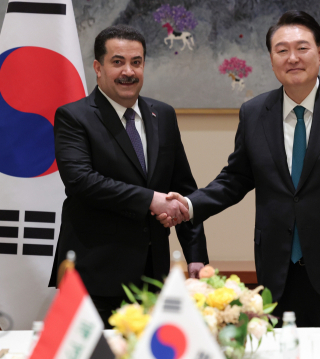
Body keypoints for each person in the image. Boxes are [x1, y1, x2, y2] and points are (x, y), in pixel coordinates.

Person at [168, 11, 320, 328]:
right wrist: (189, 204)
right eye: (282, 50)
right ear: (271, 59)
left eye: (302, 48)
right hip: (278, 269)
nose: (292, 58)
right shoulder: (254, 113)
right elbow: (235, 178)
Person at [49, 25, 209, 327]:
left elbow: (183, 189)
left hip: (154, 275)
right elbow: (81, 181)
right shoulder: (74, 116)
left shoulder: (163, 115)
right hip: (95, 275)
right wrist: (150, 200)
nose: (128, 71)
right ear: (98, 68)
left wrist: (196, 256)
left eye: (136, 62)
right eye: (118, 62)